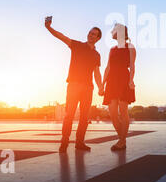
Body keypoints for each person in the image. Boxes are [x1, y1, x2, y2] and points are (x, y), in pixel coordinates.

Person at [45, 16, 104, 153]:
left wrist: (101, 86)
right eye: (90, 32)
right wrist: (49, 27)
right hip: (73, 85)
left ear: (98, 38)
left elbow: (97, 73)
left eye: (94, 34)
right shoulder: (77, 45)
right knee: (69, 114)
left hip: (88, 88)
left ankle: (79, 142)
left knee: (84, 117)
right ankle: (64, 141)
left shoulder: (97, 55)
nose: (91, 35)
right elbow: (61, 37)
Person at [102, 23, 136, 151]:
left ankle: (121, 141)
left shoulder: (130, 47)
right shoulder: (112, 49)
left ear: (120, 32)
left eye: (113, 30)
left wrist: (131, 80)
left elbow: (132, 66)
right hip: (111, 81)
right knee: (112, 113)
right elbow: (108, 67)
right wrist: (102, 84)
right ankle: (122, 139)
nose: (111, 32)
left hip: (123, 79)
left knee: (123, 111)